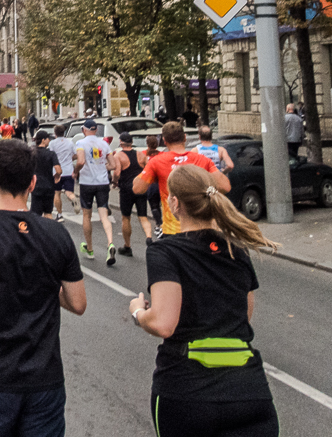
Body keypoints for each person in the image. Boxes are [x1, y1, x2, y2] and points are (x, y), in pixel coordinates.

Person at [128, 164, 280, 436]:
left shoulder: (165, 252)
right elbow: (243, 316)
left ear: (174, 203)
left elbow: (164, 323)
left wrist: (138, 313)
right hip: (249, 391)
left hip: (187, 391)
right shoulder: (237, 250)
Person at [0, 138, 86, 437]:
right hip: (45, 377)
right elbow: (77, 303)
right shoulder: (56, 233)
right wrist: (48, 286)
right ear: (33, 182)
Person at [131, 122, 231, 237]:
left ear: (164, 141)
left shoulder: (156, 162)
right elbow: (225, 186)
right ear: (184, 138)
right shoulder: (202, 160)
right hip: (200, 229)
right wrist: (207, 191)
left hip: (173, 231)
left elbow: (138, 189)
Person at [73, 119, 117, 265]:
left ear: (84, 130)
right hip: (102, 182)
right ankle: (110, 243)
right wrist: (102, 168)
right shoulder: (104, 144)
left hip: (87, 183)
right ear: (96, 130)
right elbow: (113, 165)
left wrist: (75, 172)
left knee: (87, 215)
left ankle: (90, 249)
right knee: (104, 214)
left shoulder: (81, 144)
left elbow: (80, 161)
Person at [114, 133, 153, 254]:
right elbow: (148, 170)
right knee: (143, 217)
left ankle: (127, 246)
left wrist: (115, 182)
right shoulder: (141, 155)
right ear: (131, 142)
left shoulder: (119, 156)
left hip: (126, 189)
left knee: (126, 217)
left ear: (121, 142)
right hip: (140, 188)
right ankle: (149, 237)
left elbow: (117, 173)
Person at [49, 124, 77, 222]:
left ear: (55, 133)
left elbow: (50, 155)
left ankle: (60, 215)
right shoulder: (69, 143)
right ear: (64, 132)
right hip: (69, 171)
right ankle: (73, 198)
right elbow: (76, 154)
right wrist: (70, 158)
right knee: (69, 192)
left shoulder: (52, 143)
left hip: (57, 172)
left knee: (57, 193)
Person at [30, 131, 61, 220]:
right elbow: (58, 169)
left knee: (35, 214)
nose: (49, 141)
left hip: (36, 185)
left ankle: (36, 232)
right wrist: (57, 176)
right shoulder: (51, 154)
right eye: (48, 139)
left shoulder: (32, 153)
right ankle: (48, 232)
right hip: (49, 185)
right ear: (43, 140)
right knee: (48, 213)